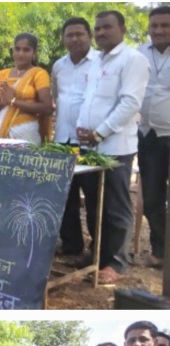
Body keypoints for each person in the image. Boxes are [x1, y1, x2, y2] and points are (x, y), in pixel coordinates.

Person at [76, 10, 150, 285]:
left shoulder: (133, 59)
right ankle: (99, 255)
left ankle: (117, 263)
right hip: (89, 146)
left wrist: (100, 132)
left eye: (107, 27)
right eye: (97, 28)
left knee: (116, 206)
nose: (101, 33)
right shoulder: (97, 60)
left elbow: (130, 103)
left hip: (115, 146)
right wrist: (85, 129)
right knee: (95, 204)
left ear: (123, 29)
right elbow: (91, 99)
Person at [51, 17, 100, 257]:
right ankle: (71, 245)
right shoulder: (58, 65)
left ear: (89, 35)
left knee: (93, 197)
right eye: (69, 35)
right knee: (65, 195)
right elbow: (56, 97)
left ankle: (97, 249)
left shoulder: (100, 62)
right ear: (63, 39)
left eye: (79, 34)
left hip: (91, 142)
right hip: (63, 140)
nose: (74, 39)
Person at [138, 6, 170, 269]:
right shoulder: (138, 54)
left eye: (165, 25)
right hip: (147, 135)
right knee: (152, 197)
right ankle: (160, 252)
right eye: (154, 25)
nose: (158, 30)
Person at [0, 33, 52, 144]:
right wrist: (5, 102)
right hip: (2, 133)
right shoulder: (3, 74)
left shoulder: (39, 74)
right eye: (17, 49)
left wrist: (13, 101)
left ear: (34, 52)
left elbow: (47, 107)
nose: (20, 53)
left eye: (26, 50)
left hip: (28, 136)